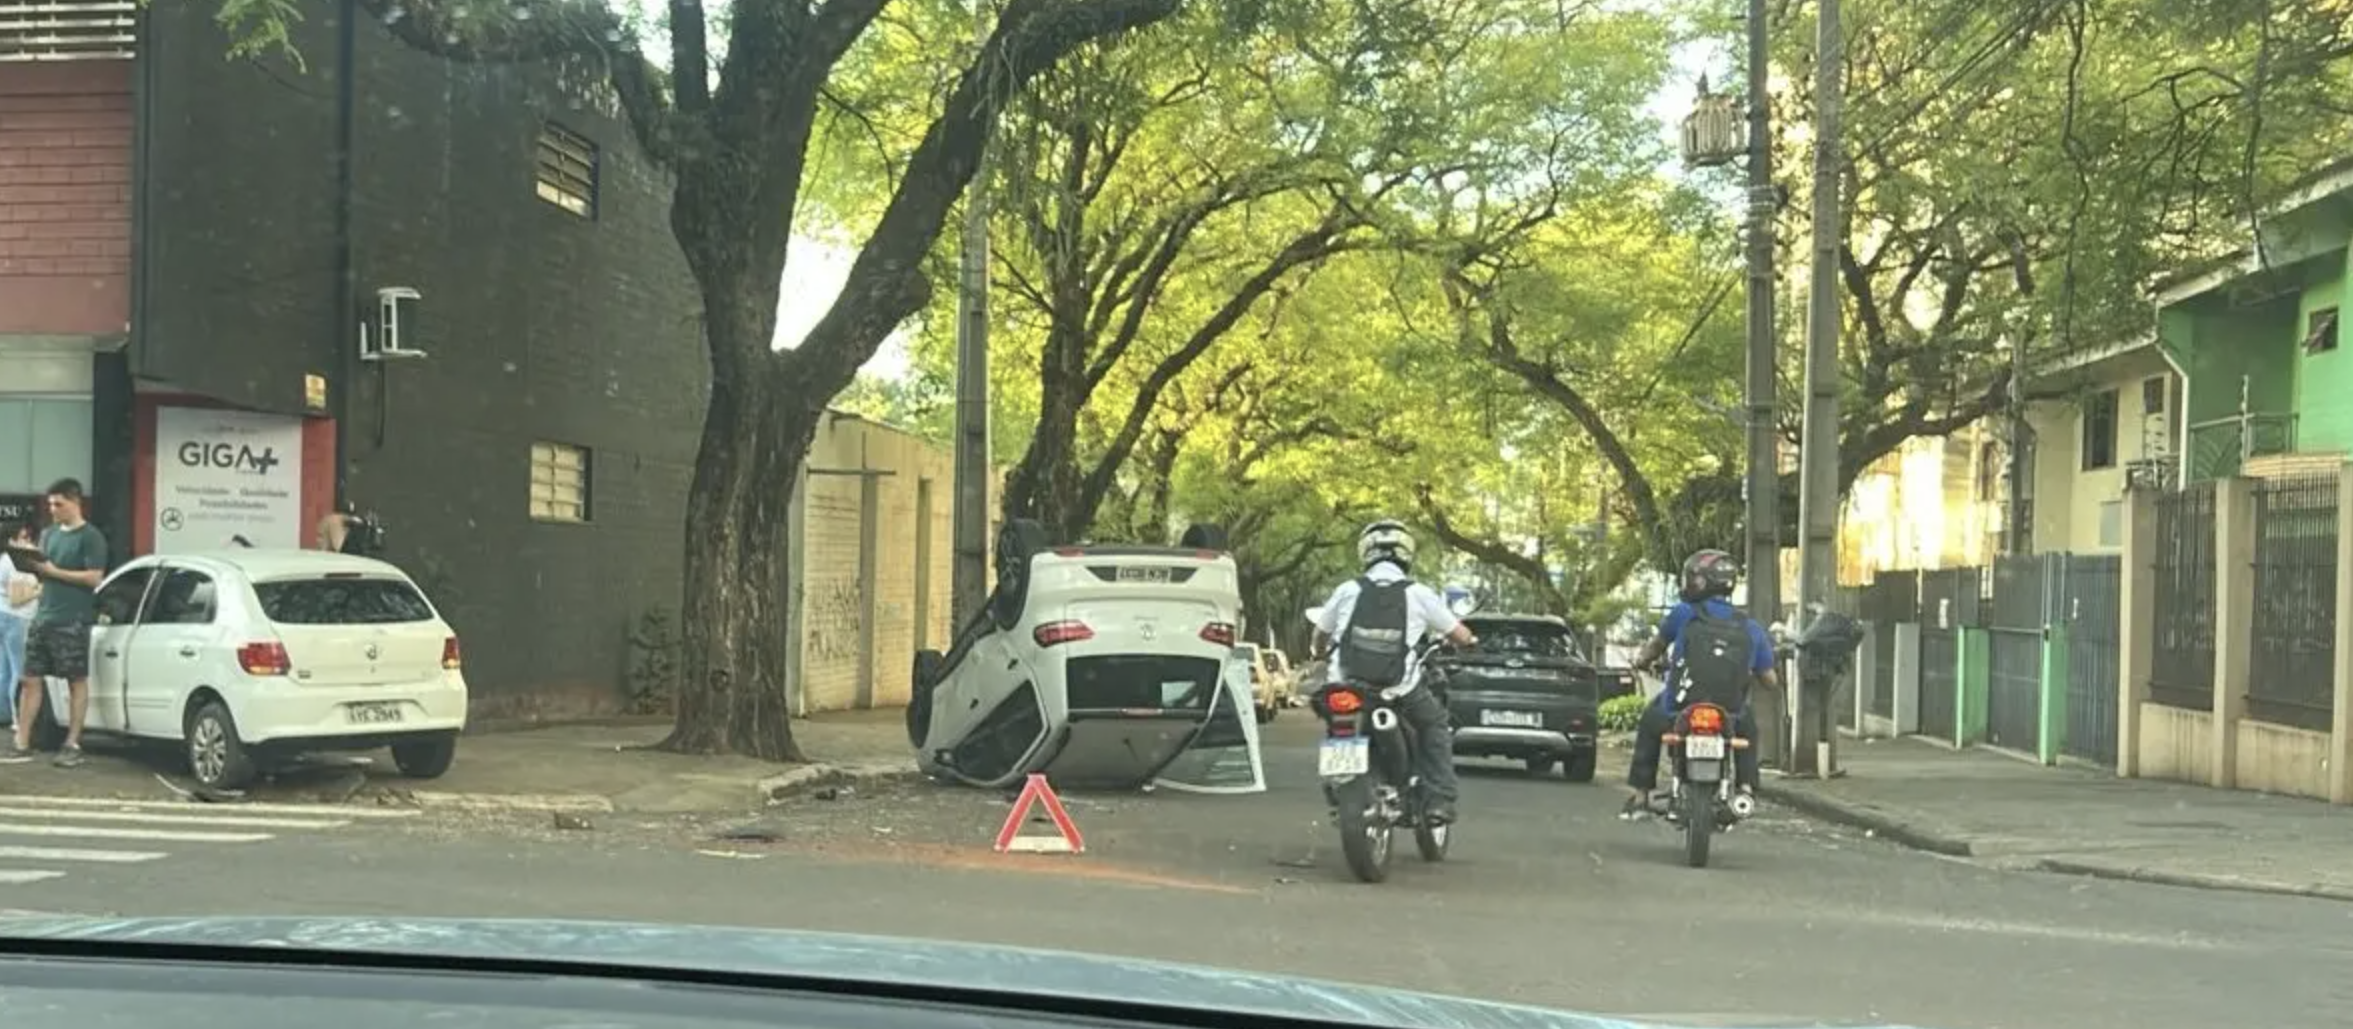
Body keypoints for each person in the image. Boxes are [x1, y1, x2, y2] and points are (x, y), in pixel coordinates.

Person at [1310, 519, 1478, 825]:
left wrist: (1319, 653)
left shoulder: (1347, 589)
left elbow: (1321, 633)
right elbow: (1460, 634)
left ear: (1365, 553)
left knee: (1338, 721)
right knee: (1435, 725)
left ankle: (1336, 784)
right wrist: (1470, 641)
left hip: (1345, 686)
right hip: (1398, 689)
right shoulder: (1419, 593)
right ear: (1406, 554)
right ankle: (1438, 799)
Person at [1620, 548, 1776, 819]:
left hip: (1679, 707)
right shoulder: (1750, 627)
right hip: (1731, 711)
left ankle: (1641, 794)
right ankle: (1746, 789)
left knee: (1649, 723)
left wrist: (1641, 662)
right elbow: (1770, 680)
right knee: (1748, 731)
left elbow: (1655, 647)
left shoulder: (1683, 613)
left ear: (1699, 581)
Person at [11, 479, 109, 767]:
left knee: (75, 680)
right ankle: (22, 741)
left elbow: (94, 578)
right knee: (30, 679)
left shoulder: (91, 537)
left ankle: (72, 743)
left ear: (75, 502)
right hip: (43, 615)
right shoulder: (49, 534)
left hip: (72, 619)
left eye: (59, 504)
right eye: (50, 504)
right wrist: (30, 564)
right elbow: (43, 573)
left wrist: (54, 571)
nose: (53, 510)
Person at [0, 522, 41, 732]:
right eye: (23, 538)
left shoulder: (3, 560)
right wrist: (38, 591)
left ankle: (4, 714)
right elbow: (17, 598)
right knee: (20, 670)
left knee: (4, 669)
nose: (28, 542)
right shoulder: (15, 563)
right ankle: (18, 718)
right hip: (17, 618)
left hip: (4, 615)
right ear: (12, 540)